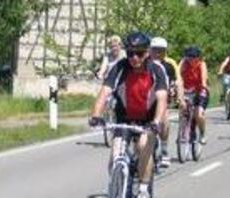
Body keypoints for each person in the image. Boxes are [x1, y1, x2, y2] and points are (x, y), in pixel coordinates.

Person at [89, 32, 168, 198]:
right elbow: (105, 92)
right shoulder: (120, 67)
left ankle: (144, 189)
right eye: (130, 53)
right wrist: (96, 115)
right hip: (124, 118)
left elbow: (162, 98)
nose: (134, 57)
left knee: (142, 147)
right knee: (114, 157)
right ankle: (116, 188)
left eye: (139, 53)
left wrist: (156, 122)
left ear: (147, 53)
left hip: (147, 120)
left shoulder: (156, 69)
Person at [149, 37, 183, 168]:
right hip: (146, 99)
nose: (158, 53)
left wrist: (180, 97)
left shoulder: (170, 64)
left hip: (163, 98)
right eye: (155, 50)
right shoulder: (144, 63)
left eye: (161, 51)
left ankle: (164, 149)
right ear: (150, 50)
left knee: (164, 122)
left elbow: (178, 82)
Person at [178, 46, 209, 144]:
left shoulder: (201, 64)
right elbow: (177, 74)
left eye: (194, 57)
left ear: (198, 57)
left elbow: (203, 78)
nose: (191, 59)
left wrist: (204, 85)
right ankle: (183, 131)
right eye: (189, 56)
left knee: (198, 114)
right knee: (183, 107)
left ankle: (202, 133)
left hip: (200, 90)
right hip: (187, 90)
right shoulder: (184, 62)